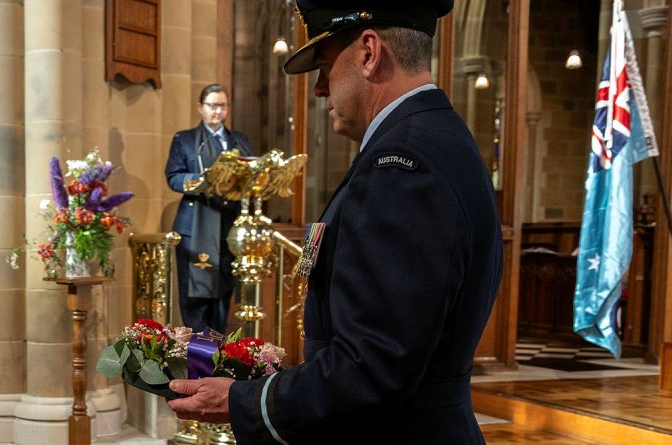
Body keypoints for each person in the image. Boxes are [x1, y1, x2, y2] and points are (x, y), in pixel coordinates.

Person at [167, 1, 503, 443]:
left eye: (324, 67)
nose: (320, 89)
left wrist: (244, 401)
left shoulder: (403, 163)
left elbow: (372, 364)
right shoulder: (431, 137)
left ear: (369, 52)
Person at [165, 83, 253, 334]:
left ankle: (217, 364)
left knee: (222, 298)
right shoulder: (186, 140)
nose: (217, 111)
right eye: (212, 105)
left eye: (222, 106)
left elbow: (252, 173)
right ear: (200, 108)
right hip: (195, 227)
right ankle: (195, 365)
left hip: (229, 227)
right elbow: (173, 176)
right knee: (196, 300)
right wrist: (201, 181)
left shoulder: (239, 140)